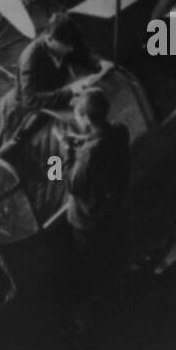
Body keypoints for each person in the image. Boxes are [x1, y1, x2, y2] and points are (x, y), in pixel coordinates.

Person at [0, 12, 95, 148]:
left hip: (49, 98)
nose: (71, 49)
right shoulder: (30, 59)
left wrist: (97, 66)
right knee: (17, 147)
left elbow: (80, 53)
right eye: (66, 46)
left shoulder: (64, 43)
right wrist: (69, 92)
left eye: (72, 45)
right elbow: (30, 100)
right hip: (21, 112)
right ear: (49, 39)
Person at [61, 88, 130, 246]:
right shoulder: (120, 130)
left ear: (86, 119)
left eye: (77, 116)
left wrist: (64, 153)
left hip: (88, 221)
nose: (76, 119)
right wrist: (82, 138)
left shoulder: (88, 153)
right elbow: (103, 135)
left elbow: (71, 185)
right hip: (113, 207)